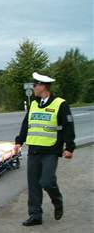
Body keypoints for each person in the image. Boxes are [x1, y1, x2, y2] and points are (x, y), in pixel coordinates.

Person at [14, 72, 75, 226]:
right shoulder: (34, 104)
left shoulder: (60, 104)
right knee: (33, 185)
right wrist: (19, 142)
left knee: (47, 182)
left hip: (50, 151)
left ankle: (57, 201)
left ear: (43, 87)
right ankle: (35, 215)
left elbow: (68, 126)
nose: (33, 88)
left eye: (35, 85)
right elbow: (26, 124)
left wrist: (69, 147)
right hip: (34, 150)